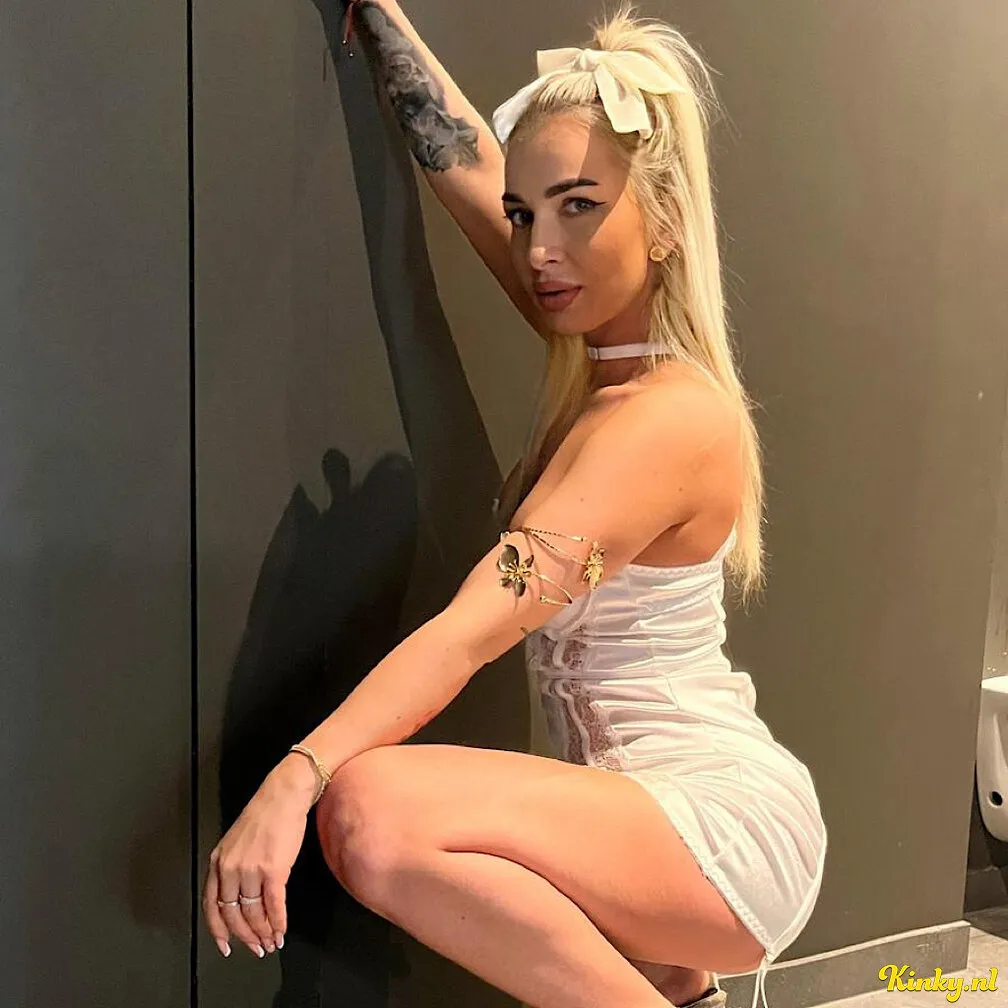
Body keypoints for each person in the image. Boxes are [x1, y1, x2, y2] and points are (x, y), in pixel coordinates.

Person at [202, 3, 828, 1008]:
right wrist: (382, 18)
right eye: (529, 215)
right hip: (635, 810)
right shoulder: (602, 358)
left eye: (579, 207)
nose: (540, 248)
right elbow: (467, 163)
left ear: (665, 221)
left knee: (368, 809)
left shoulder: (665, 421)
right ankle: (680, 989)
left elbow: (468, 634)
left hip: (715, 824)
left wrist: (295, 777)